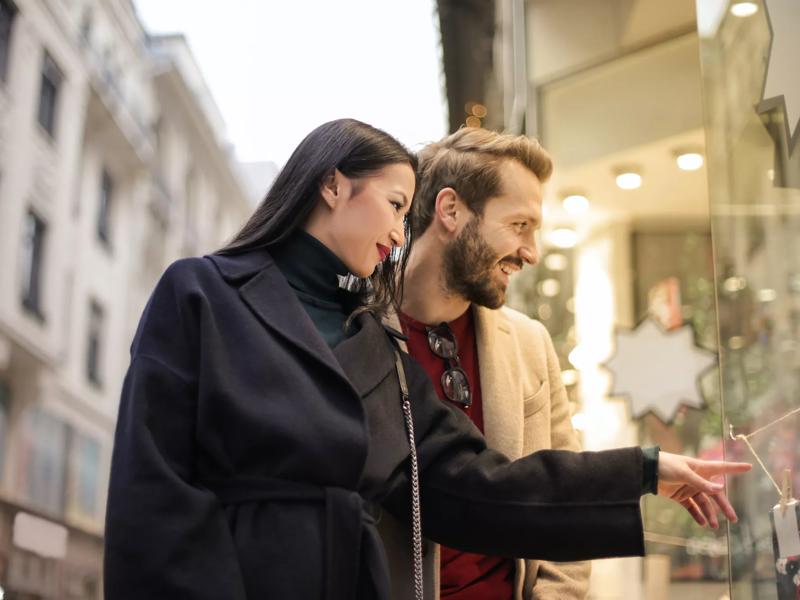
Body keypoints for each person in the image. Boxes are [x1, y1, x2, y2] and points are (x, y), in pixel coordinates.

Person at [103, 118, 750, 600]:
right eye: (394, 207)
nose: (397, 233)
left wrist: (642, 471)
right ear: (332, 186)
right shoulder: (200, 294)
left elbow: (476, 483)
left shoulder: (373, 346)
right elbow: (153, 494)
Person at [379, 128, 590, 600]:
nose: (531, 252)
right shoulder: (356, 332)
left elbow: (566, 504)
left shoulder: (531, 344)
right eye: (520, 226)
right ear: (451, 210)